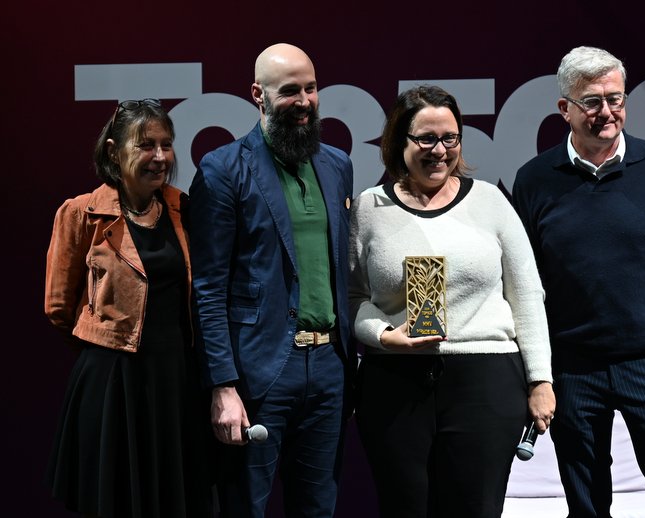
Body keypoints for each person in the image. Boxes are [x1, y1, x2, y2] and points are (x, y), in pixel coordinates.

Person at [511, 46, 645, 517]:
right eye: (592, 101)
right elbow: (524, 285)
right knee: (587, 507)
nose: (607, 112)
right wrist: (535, 372)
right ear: (565, 108)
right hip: (572, 369)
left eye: (616, 99)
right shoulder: (533, 179)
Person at [349, 84, 555, 518]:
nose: (439, 150)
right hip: (394, 382)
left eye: (450, 138)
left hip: (486, 381)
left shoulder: (490, 201)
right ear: (399, 141)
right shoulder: (370, 207)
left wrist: (540, 380)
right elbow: (352, 296)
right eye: (426, 138)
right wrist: (383, 335)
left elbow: (527, 295)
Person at [188, 43, 355, 518]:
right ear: (258, 94)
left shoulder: (337, 165)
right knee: (246, 508)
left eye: (311, 88)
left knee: (318, 508)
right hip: (257, 373)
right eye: (289, 91)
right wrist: (223, 386)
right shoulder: (223, 169)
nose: (304, 102)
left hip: (329, 369)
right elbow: (208, 288)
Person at [43, 99, 212, 517]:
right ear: (114, 151)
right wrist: (105, 346)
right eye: (146, 145)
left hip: (175, 381)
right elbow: (58, 307)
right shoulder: (81, 213)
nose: (160, 157)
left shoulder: (183, 208)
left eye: (166, 145)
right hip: (113, 383)